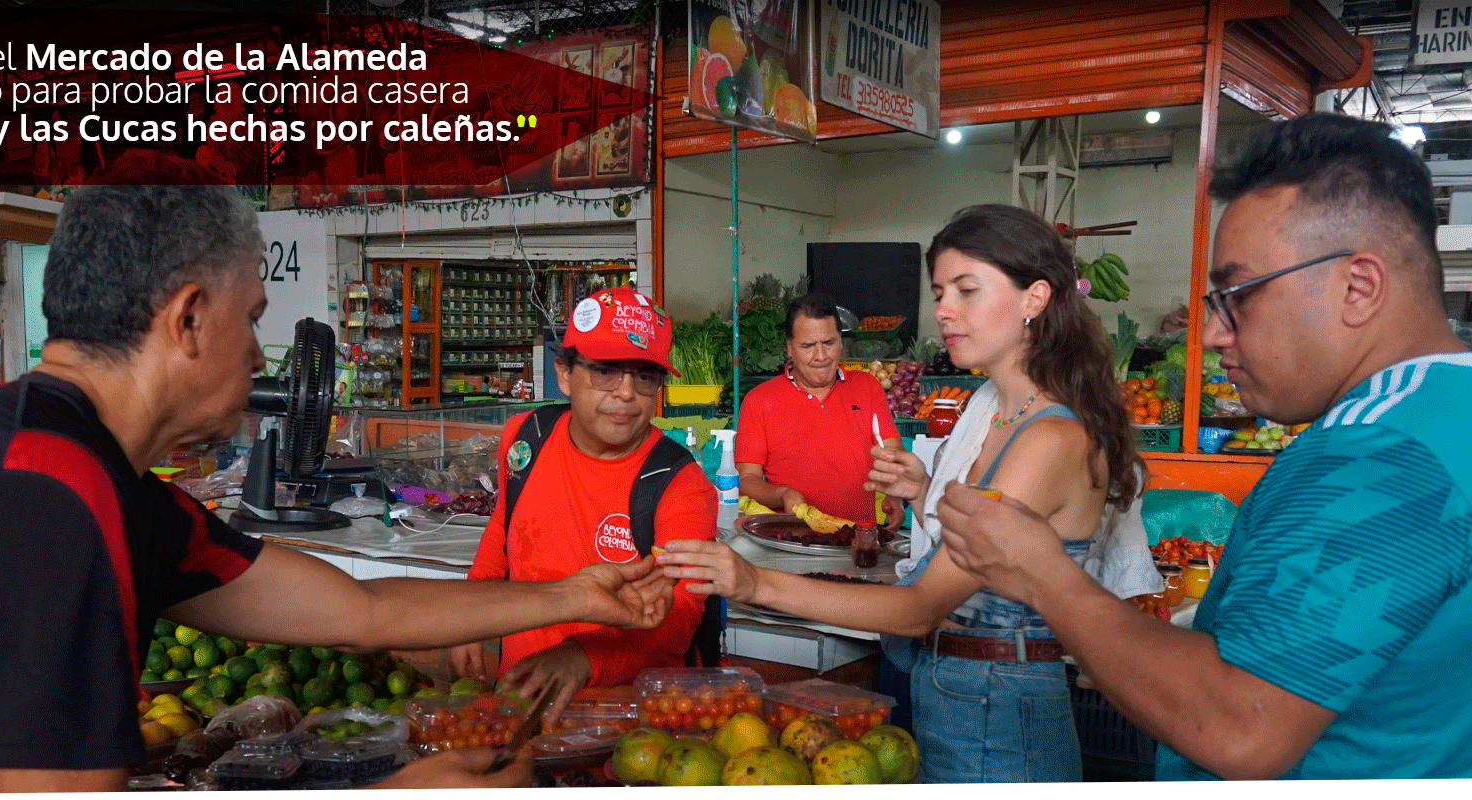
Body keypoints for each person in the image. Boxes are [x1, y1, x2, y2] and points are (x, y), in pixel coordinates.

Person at [0, 157, 675, 795]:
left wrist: (568, 594)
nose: (259, 351)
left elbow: (359, 615)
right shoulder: (41, 501)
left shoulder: (90, 471)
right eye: (252, 316)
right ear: (186, 318)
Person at [933, 113, 1472, 780]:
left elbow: (1239, 725)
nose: (1215, 334)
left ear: (1358, 287)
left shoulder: (1382, 457)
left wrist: (1043, 573)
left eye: (1238, 295)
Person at [661, 203, 1147, 783]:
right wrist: (922, 494)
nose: (943, 310)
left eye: (966, 291)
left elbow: (920, 609)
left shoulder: (1049, 439)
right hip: (955, 694)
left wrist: (755, 582)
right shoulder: (992, 412)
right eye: (940, 292)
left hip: (1000, 715)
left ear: (1034, 299)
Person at [446, 286, 717, 706]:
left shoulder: (679, 484)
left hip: (626, 722)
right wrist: (467, 614)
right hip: (521, 696)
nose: (626, 393)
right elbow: (504, 530)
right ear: (565, 375)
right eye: (605, 370)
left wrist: (581, 657)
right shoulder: (526, 438)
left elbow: (679, 614)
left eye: (644, 376)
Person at [734, 292, 897, 523]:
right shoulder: (759, 400)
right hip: (788, 540)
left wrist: (894, 494)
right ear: (790, 348)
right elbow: (746, 479)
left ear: (841, 341)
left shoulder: (867, 387)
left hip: (857, 540)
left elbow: (891, 452)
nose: (820, 356)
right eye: (808, 346)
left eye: (829, 343)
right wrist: (783, 495)